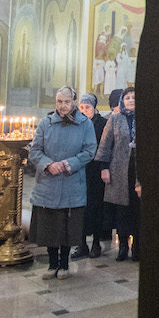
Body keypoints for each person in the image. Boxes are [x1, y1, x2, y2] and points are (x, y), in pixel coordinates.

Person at [27, 86, 97, 279]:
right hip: (48, 183)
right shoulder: (46, 122)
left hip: (71, 181)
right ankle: (52, 265)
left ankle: (64, 265)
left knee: (67, 227)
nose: (63, 106)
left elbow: (89, 151)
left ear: (73, 102)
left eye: (66, 102)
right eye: (59, 102)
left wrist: (68, 163)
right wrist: (48, 164)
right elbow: (35, 151)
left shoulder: (85, 124)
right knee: (50, 227)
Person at [95, 87, 141, 261]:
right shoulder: (115, 119)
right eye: (128, 97)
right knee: (122, 211)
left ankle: (138, 247)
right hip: (119, 170)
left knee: (138, 210)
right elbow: (105, 144)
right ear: (122, 100)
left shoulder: (146, 119)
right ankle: (122, 246)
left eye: (134, 97)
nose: (131, 100)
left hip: (139, 172)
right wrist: (104, 168)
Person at [72, 93, 109, 259]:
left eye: (87, 107)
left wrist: (103, 167)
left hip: (95, 171)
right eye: (81, 107)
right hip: (79, 170)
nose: (84, 110)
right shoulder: (75, 123)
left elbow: (105, 146)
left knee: (96, 208)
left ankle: (96, 243)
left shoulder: (102, 123)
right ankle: (81, 244)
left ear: (94, 108)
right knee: (79, 208)